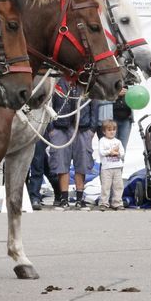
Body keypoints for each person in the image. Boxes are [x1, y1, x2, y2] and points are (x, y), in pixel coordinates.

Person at [48, 80, 95, 209]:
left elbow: (94, 104)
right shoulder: (56, 82)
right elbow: (47, 104)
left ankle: (80, 198)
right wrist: (51, 128)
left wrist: (92, 128)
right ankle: (64, 199)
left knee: (82, 162)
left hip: (83, 128)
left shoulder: (86, 82)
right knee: (60, 162)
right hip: (60, 127)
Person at [96, 120, 125, 210]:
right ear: (104, 131)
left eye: (114, 129)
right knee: (106, 186)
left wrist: (118, 153)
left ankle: (117, 202)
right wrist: (110, 152)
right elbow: (101, 152)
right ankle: (104, 203)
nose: (112, 132)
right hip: (106, 168)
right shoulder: (102, 141)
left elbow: (123, 153)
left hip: (117, 167)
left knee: (118, 186)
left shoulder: (118, 142)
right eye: (109, 130)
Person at [26, 136, 60, 210]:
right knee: (43, 166)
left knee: (38, 167)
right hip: (23, 134)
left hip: (38, 134)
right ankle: (29, 197)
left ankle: (35, 198)